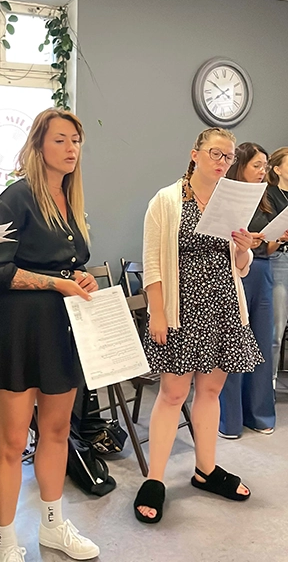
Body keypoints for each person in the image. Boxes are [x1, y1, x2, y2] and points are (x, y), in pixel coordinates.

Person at [0, 108, 100, 562]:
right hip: (18, 330)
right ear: (38, 146)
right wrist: (56, 283)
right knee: (12, 441)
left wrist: (81, 277)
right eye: (60, 140)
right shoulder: (16, 198)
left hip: (61, 329)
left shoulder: (70, 198)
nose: (71, 149)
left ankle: (52, 526)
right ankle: (6, 542)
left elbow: (71, 262)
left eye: (76, 140)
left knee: (57, 430)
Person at [133, 127, 263, 525]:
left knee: (211, 390)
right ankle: (155, 478)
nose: (222, 162)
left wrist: (244, 250)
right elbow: (152, 261)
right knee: (173, 393)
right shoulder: (167, 200)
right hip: (182, 309)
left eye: (228, 156)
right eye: (215, 154)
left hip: (223, 306)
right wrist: (156, 312)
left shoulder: (232, 201)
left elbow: (239, 266)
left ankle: (206, 469)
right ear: (195, 155)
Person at [219, 142, 283, 438]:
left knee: (262, 342)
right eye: (257, 165)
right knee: (233, 344)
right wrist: (245, 243)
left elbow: (266, 248)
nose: (262, 171)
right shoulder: (226, 197)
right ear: (240, 166)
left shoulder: (264, 197)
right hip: (234, 273)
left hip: (262, 272)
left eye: (265, 166)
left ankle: (260, 414)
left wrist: (276, 239)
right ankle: (230, 419)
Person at [266, 147, 288, 384]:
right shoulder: (269, 195)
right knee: (276, 328)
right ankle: (269, 382)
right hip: (279, 259)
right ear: (278, 169)